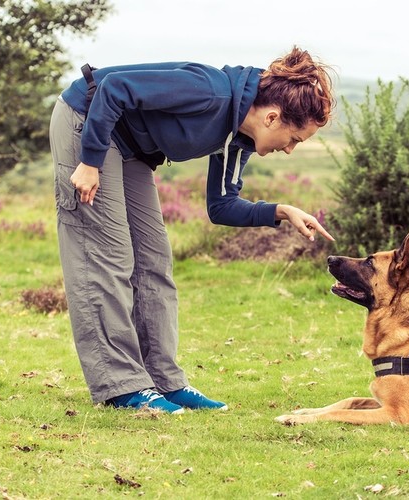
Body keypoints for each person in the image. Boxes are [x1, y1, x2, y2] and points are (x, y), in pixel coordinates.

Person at [48, 46, 335, 414]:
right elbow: (115, 87)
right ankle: (121, 385)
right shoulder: (209, 90)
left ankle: (164, 380)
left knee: (154, 261)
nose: (291, 150)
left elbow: (221, 206)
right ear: (272, 118)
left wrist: (280, 211)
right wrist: (89, 161)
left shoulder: (237, 140)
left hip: (132, 147)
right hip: (89, 122)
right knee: (108, 256)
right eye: (294, 138)